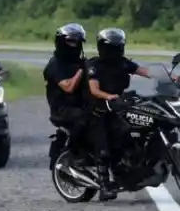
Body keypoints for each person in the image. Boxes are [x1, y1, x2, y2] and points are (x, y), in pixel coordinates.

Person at [86, 27, 159, 201]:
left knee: (131, 137)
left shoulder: (123, 63)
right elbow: (93, 89)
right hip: (98, 111)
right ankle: (104, 185)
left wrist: (169, 77)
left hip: (118, 108)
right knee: (104, 148)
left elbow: (144, 71)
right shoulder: (94, 65)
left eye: (118, 46)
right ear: (104, 47)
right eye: (113, 47)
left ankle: (130, 171)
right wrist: (109, 96)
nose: (116, 50)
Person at [43, 23, 89, 170]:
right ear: (61, 42)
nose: (74, 45)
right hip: (63, 109)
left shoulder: (79, 62)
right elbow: (68, 87)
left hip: (82, 104)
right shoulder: (55, 65)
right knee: (85, 120)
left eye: (77, 42)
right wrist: (82, 70)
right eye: (70, 41)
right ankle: (74, 155)